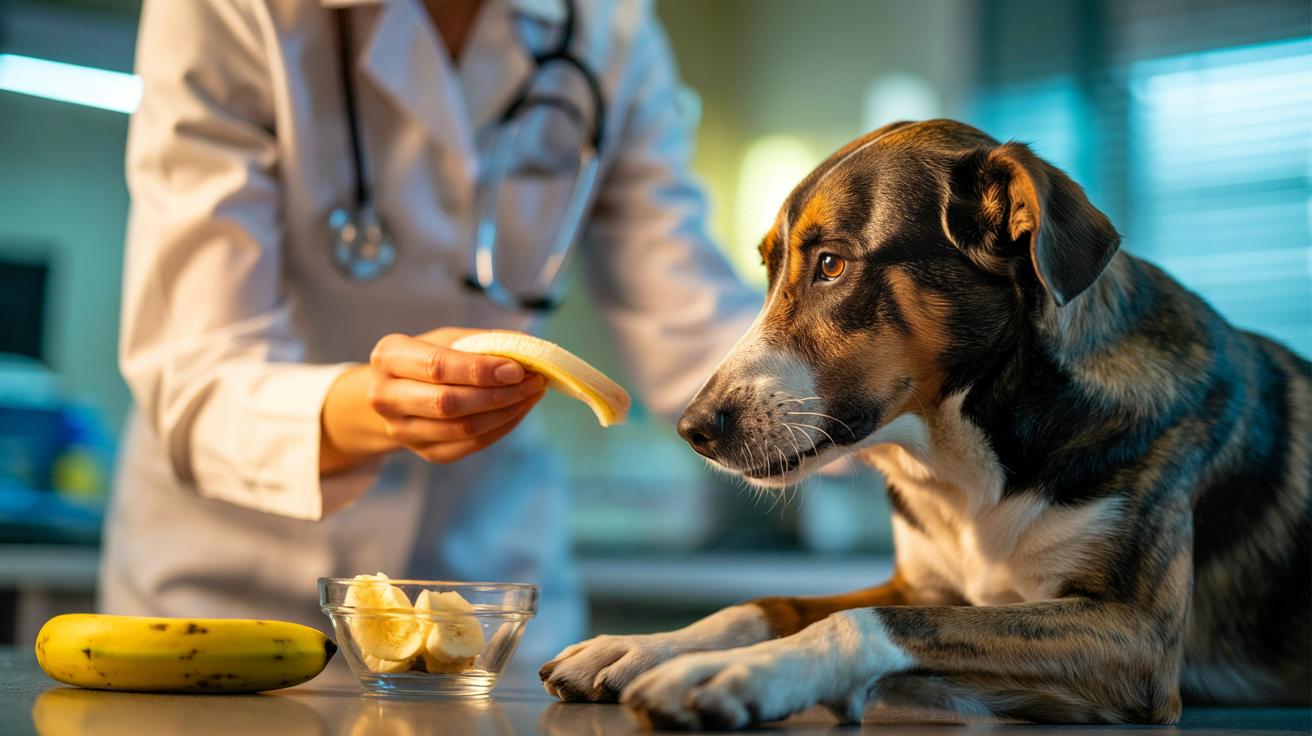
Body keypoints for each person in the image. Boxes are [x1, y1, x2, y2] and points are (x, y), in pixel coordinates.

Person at [101, 0, 757, 667]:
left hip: (487, 580)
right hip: (233, 587)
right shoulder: (229, 11)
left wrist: (848, 386)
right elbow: (199, 372)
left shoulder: (604, 26)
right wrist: (382, 406)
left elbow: (690, 321)